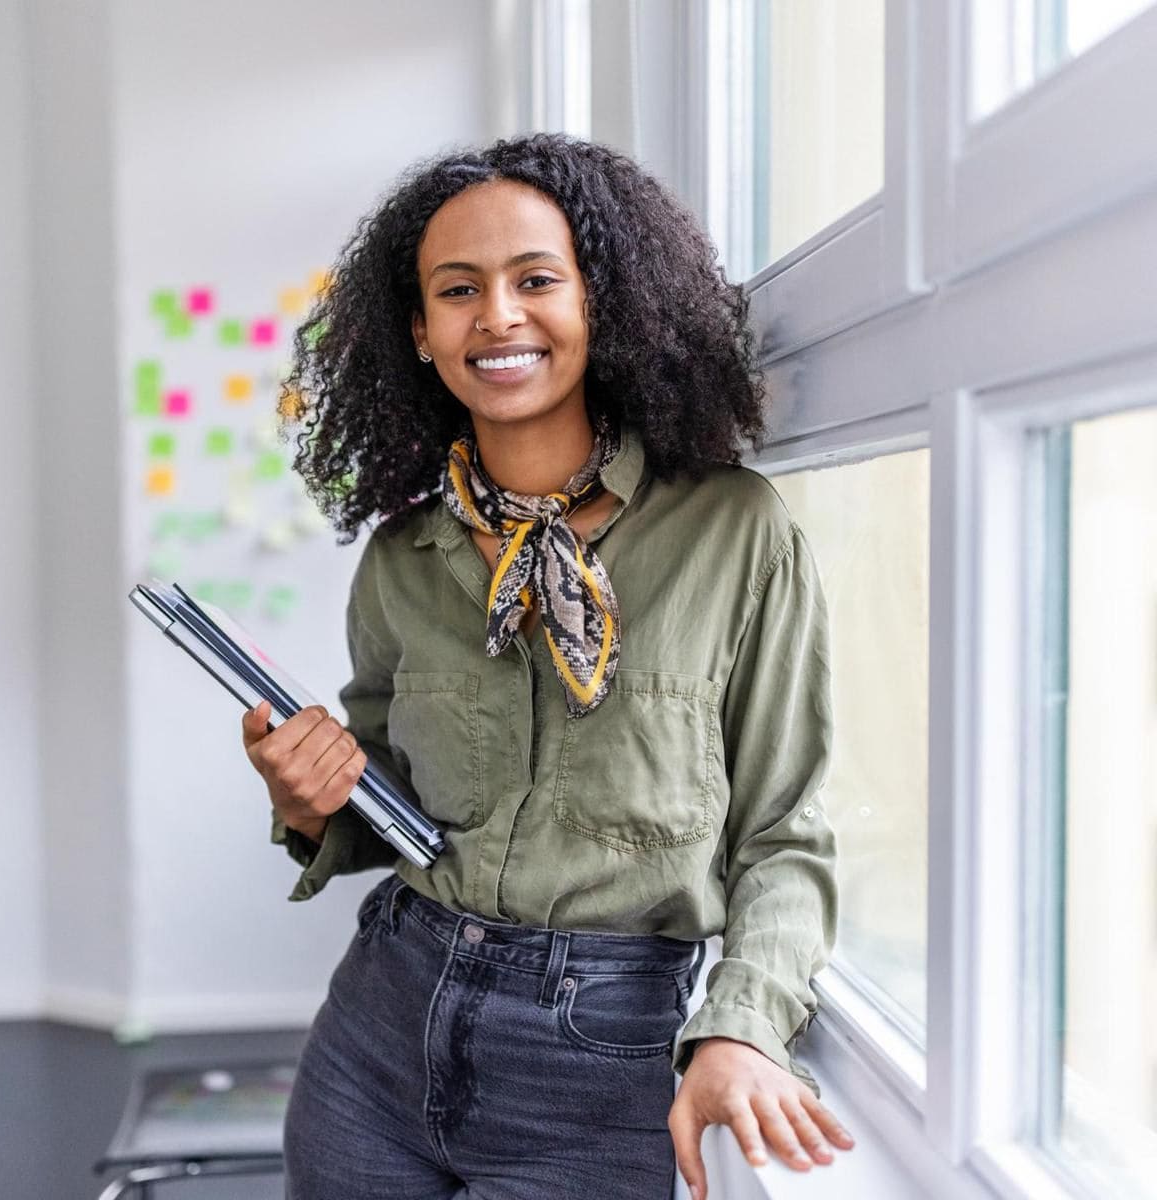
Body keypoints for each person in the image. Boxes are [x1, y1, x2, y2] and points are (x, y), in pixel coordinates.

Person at [241, 131, 854, 1200]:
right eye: (458, 290)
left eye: (536, 280)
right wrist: (305, 799)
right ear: (422, 334)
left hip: (601, 1065)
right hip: (378, 1033)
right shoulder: (404, 557)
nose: (499, 317)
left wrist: (744, 1027)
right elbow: (382, 796)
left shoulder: (734, 534)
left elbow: (784, 834)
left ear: (600, 305)